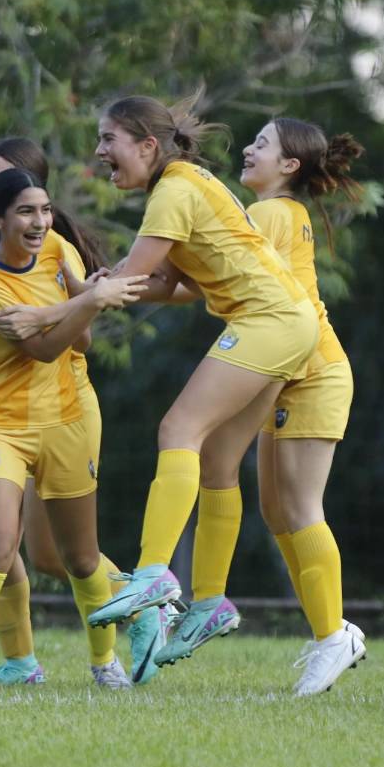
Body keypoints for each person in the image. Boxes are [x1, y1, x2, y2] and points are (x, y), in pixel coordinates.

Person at [0, 137, 171, 686]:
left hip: (68, 418)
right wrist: (84, 299)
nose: (41, 221)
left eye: (44, 210)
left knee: (78, 558)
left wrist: (70, 305)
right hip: (0, 424)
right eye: (26, 212)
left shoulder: (59, 249)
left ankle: (106, 659)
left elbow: (80, 340)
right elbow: (39, 347)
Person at [80, 95, 318, 632]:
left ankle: (154, 573)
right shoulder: (189, 183)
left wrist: (75, 297)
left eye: (107, 140)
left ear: (147, 145)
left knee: (178, 428)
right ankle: (210, 602)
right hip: (287, 321)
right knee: (216, 462)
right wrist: (110, 283)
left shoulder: (174, 189)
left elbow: (135, 276)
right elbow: (172, 284)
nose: (99, 151)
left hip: (268, 320)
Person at [160, 119, 368, 695]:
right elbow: (200, 286)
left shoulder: (268, 215)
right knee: (277, 513)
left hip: (312, 372)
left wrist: (122, 285)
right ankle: (319, 630)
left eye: (263, 143)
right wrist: (118, 288)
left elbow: (195, 282)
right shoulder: (279, 214)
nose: (249, 149)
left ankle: (334, 636)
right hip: (293, 370)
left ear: (289, 167)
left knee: (300, 508)